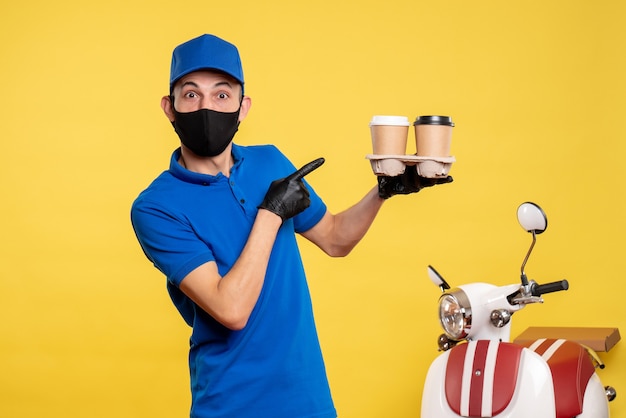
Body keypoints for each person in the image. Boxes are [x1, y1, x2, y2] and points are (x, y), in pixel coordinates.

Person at [130, 34, 452, 418]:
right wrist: (270, 213)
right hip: (231, 404)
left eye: (221, 95)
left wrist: (383, 191)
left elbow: (335, 238)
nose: (206, 107)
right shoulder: (156, 207)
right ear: (170, 107)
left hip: (307, 399)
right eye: (191, 94)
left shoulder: (270, 163)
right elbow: (231, 309)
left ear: (242, 107)